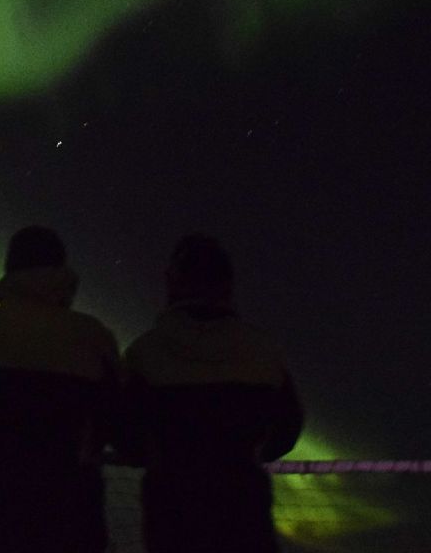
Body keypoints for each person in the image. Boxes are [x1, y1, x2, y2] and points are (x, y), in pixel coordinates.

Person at [0, 226, 121, 553]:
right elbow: (117, 418)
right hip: (73, 504)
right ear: (63, 272)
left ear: (9, 269)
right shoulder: (94, 337)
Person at [119, 234, 303, 553]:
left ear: (173, 283)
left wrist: (150, 456)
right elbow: (289, 424)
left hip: (171, 511)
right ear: (228, 285)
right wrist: (254, 455)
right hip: (244, 508)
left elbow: (122, 429)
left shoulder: (145, 352)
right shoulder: (261, 350)